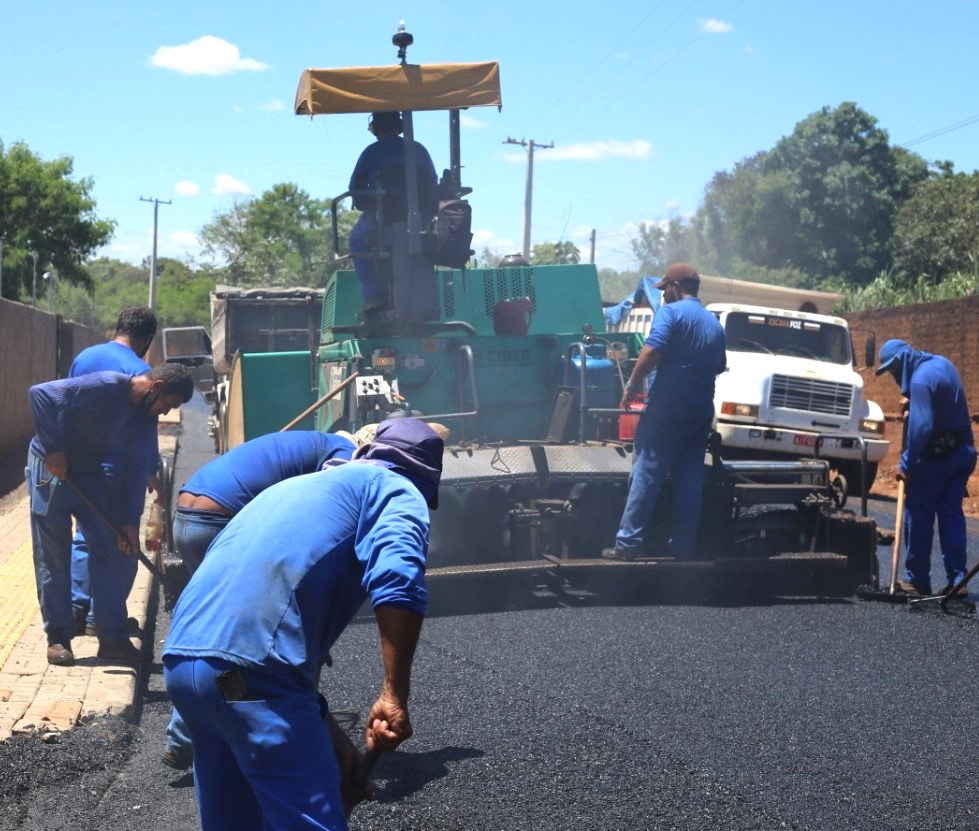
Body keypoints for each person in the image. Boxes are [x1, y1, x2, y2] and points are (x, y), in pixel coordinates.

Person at [162, 418, 443, 831]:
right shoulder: (396, 489)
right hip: (250, 677)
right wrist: (394, 694)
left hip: (188, 670)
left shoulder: (290, 489)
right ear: (425, 481)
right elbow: (399, 582)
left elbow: (248, 647)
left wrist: (326, 736)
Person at [161, 429, 359, 771]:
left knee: (210, 625)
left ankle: (182, 739)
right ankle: (265, 727)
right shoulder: (346, 452)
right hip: (220, 520)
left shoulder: (308, 443)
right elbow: (323, 511)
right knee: (239, 632)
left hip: (187, 516)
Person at [27, 364, 195, 667]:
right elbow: (40, 395)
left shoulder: (146, 419)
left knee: (114, 547)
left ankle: (112, 639)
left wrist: (129, 522)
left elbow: (135, 470)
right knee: (53, 555)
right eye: (167, 404)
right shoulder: (103, 386)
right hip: (50, 470)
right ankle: (58, 638)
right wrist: (54, 449)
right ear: (156, 387)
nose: (166, 412)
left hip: (88, 473)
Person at [602, 262, 727, 561]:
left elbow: (651, 350)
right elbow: (720, 365)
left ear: (674, 287)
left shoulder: (670, 314)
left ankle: (629, 545)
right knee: (689, 479)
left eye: (664, 290)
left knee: (647, 472)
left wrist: (630, 386)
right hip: (699, 411)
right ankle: (682, 547)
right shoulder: (713, 322)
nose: (662, 296)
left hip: (668, 408)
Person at [68, 306, 160, 639]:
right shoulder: (141, 370)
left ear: (118, 327)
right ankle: (103, 620)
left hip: (81, 464)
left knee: (84, 538)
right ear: (147, 338)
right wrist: (152, 469)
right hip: (119, 469)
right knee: (122, 542)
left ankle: (77, 611)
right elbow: (145, 429)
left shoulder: (84, 358)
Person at [875, 338, 977, 596]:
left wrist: (907, 463)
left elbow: (923, 427)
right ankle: (958, 580)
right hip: (962, 453)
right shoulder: (941, 364)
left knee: (918, 514)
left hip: (936, 459)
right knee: (951, 514)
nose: (895, 377)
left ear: (902, 362)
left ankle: (917, 579)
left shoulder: (920, 380)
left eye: (893, 370)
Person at [348, 110, 438, 313]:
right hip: (420, 221)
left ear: (375, 128)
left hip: (382, 220)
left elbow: (356, 188)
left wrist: (365, 203)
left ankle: (373, 296)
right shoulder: (419, 150)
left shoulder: (371, 152)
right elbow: (433, 182)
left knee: (356, 241)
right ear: (399, 125)